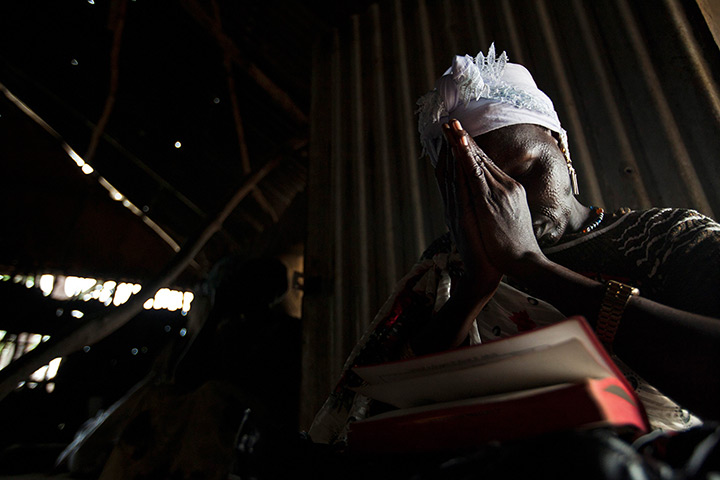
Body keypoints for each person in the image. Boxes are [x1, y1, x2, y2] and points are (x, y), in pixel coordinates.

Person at [308, 45, 720, 447]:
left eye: (523, 171)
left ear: (562, 147)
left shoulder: (663, 237)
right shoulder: (449, 265)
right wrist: (474, 288)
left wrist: (530, 264)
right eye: (475, 193)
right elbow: (380, 410)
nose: (507, 204)